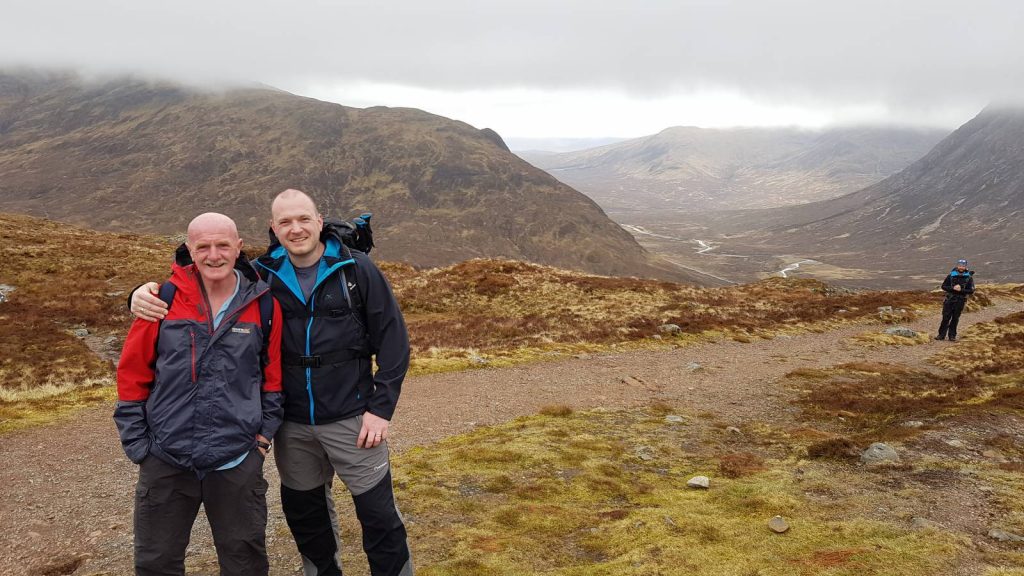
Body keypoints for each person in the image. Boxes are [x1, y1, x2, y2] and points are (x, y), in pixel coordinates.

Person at [129, 190, 413, 576]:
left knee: (378, 515)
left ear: (319, 220)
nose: (295, 229)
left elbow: (394, 342)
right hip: (292, 424)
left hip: (354, 417)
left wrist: (380, 410)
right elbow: (204, 271)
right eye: (285, 223)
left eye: (303, 219)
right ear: (273, 229)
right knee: (307, 516)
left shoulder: (356, 270)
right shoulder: (261, 273)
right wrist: (138, 294)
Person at [114, 213, 284, 576]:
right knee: (156, 562)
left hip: (237, 458)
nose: (213, 254)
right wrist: (139, 445)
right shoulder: (163, 300)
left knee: (245, 563)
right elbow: (132, 374)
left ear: (239, 248)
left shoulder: (264, 305)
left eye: (223, 244)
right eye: (203, 246)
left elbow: (272, 380)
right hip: (165, 457)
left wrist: (262, 440)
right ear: (189, 250)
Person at [936, 258, 975, 342]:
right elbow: (943, 286)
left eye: (963, 266)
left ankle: (952, 336)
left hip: (960, 300)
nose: (961, 267)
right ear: (957, 266)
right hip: (949, 300)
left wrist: (961, 290)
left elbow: (971, 290)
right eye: (960, 265)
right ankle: (941, 335)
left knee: (955, 318)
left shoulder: (969, 278)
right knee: (946, 317)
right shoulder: (950, 275)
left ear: (965, 267)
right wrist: (953, 288)